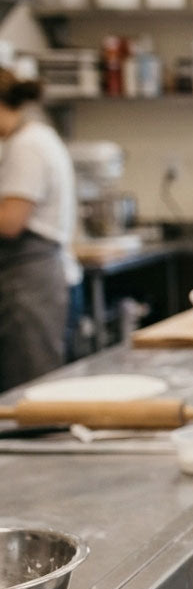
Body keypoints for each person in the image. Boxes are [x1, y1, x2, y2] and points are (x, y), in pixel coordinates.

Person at [0, 69, 80, 393]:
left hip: (31, 282)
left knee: (30, 388)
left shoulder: (27, 145)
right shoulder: (31, 138)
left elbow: (9, 222)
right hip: (33, 277)